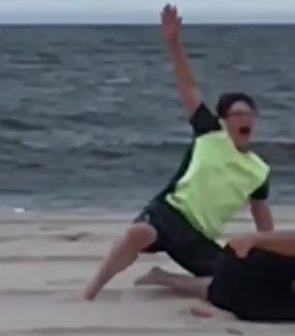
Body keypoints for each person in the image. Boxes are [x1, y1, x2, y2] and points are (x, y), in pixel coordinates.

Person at [84, 4, 274, 301]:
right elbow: (189, 86)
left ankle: (164, 279)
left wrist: (273, 251)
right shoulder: (210, 135)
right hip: (171, 212)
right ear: (224, 121)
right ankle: (91, 291)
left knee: (230, 284)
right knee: (138, 234)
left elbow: (262, 218)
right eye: (236, 115)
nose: (244, 120)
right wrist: (173, 43)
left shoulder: (259, 170)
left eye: (249, 114)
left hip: (200, 238)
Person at [135, 231, 295, 325]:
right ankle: (163, 278)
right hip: (237, 300)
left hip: (234, 279)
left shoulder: (286, 294)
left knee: (220, 286)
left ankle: (163, 278)